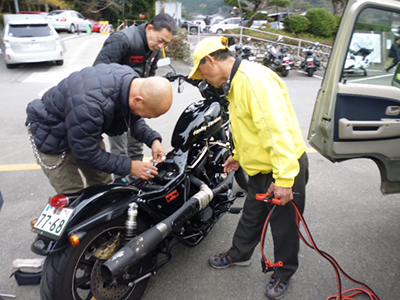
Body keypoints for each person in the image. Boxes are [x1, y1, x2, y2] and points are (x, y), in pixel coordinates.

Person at [188, 36, 309, 300]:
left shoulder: (254, 81)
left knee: (283, 224)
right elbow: (248, 129)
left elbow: (276, 133)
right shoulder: (237, 81)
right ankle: (239, 254)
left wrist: (285, 180)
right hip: (261, 169)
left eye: (202, 72)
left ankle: (284, 271)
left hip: (283, 168)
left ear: (211, 60)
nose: (203, 79)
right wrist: (239, 156)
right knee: (252, 213)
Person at [26, 63, 173, 194]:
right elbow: (86, 153)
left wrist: (153, 140)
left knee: (103, 185)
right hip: (51, 135)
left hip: (83, 131)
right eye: (150, 115)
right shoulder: (90, 105)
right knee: (73, 196)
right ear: (138, 100)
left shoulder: (131, 83)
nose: (148, 118)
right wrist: (129, 166)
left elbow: (131, 119)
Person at [93, 13, 177, 170]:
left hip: (138, 103)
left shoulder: (155, 49)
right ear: (150, 28)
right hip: (115, 105)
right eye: (161, 40)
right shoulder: (122, 40)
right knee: (120, 148)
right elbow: (97, 74)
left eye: (166, 44)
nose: (161, 46)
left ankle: (136, 182)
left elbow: (150, 76)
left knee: (136, 146)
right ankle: (122, 185)